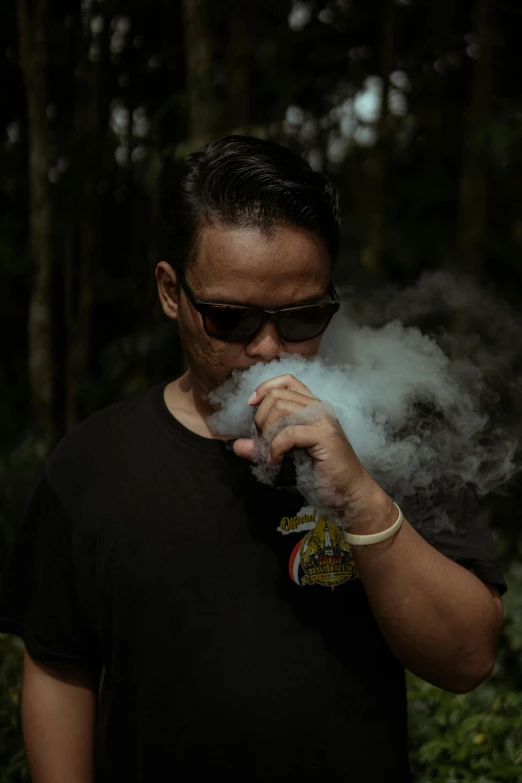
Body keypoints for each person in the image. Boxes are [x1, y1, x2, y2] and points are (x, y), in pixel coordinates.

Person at [0, 136, 506, 782]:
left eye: (302, 317)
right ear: (169, 291)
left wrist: (360, 498)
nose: (269, 348)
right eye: (231, 319)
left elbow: (467, 658)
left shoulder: (391, 436)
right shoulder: (94, 460)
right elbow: (59, 664)